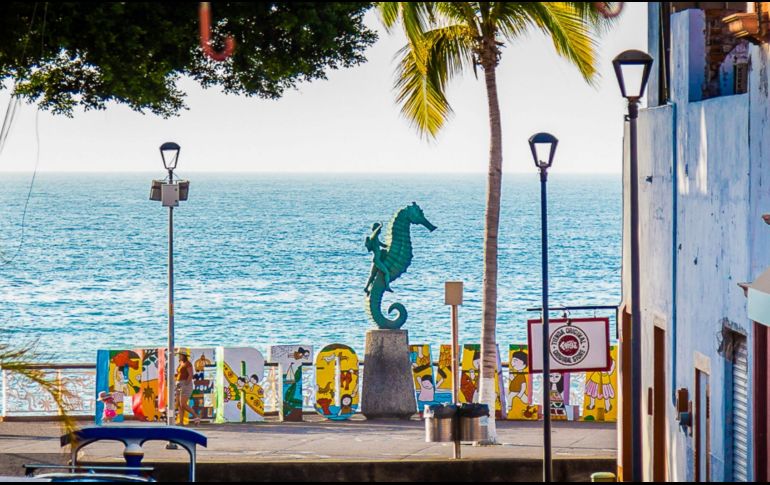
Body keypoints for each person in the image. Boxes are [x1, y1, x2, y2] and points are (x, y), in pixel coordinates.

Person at [364, 222, 392, 294]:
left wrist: (390, 245)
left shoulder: (376, 239)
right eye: (379, 230)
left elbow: (383, 245)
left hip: (376, 260)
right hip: (377, 261)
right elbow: (374, 233)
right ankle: (387, 287)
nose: (380, 231)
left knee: (372, 276)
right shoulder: (372, 237)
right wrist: (380, 226)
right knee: (386, 273)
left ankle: (366, 288)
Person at [175, 352, 201, 426]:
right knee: (179, 404)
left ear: (184, 356)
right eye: (179, 355)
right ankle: (181, 422)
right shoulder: (181, 363)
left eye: (180, 355)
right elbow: (180, 373)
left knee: (183, 403)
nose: (179, 356)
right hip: (179, 384)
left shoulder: (188, 363)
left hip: (185, 384)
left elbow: (190, 374)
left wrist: (186, 383)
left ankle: (196, 416)